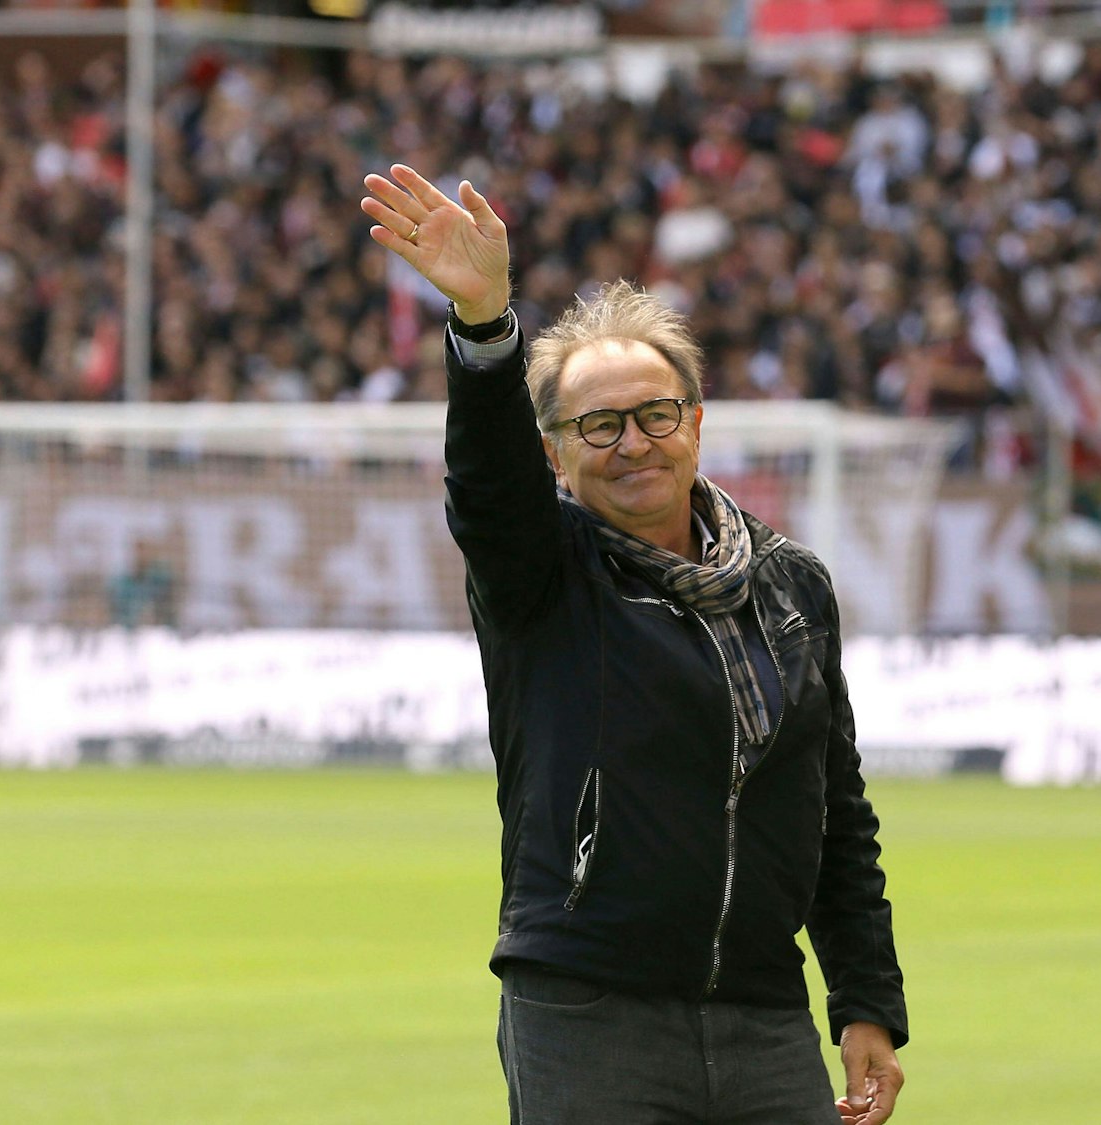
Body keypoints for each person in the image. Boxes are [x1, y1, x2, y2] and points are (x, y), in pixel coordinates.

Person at [361, 164, 907, 1124]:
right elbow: (487, 489)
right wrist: (487, 324)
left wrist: (865, 998)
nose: (633, 442)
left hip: (765, 1019)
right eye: (598, 425)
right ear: (557, 454)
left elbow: (835, 812)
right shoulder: (541, 575)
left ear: (695, 425)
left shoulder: (791, 585)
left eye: (655, 415)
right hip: (586, 1014)